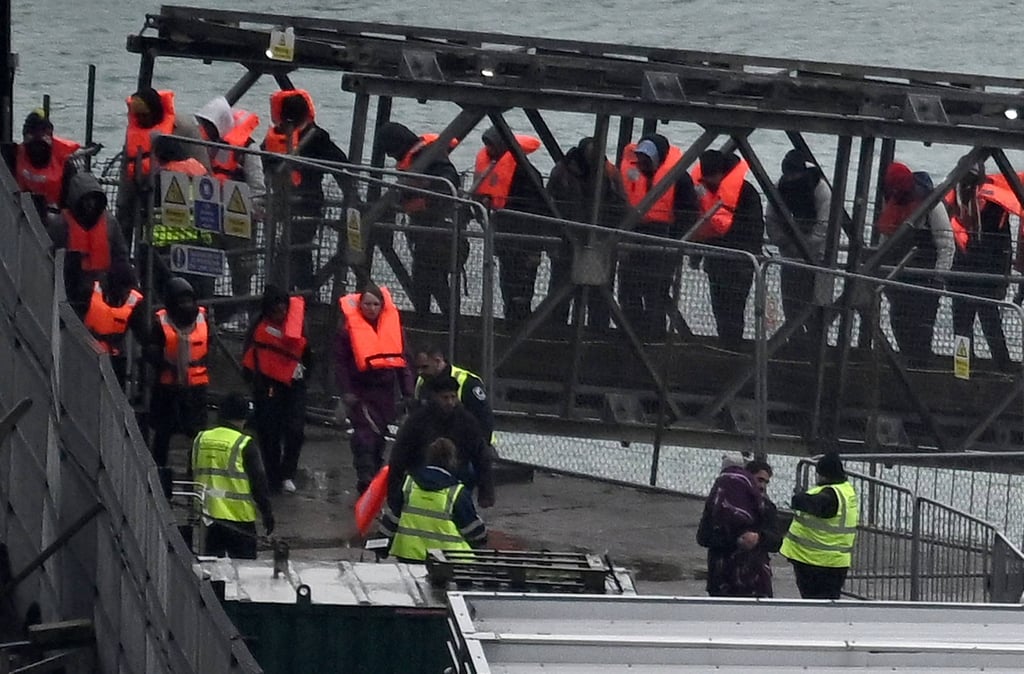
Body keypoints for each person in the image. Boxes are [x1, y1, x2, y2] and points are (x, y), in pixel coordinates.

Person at [262, 89, 356, 293]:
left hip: (281, 201)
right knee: (297, 251)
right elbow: (341, 164)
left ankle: (295, 294)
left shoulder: (275, 135)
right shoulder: (317, 137)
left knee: (293, 251)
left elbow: (264, 161)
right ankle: (302, 295)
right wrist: (352, 196)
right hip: (307, 204)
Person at [377, 122, 462, 318]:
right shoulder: (419, 156)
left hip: (440, 230)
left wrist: (427, 200)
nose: (390, 156)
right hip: (424, 230)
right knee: (424, 279)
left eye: (390, 150)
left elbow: (449, 182)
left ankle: (446, 322)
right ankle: (433, 320)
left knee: (433, 278)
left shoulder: (431, 156)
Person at [335, 283, 414, 493]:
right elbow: (341, 363)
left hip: (384, 393)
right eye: (367, 304)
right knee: (364, 435)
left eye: (375, 304)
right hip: (360, 392)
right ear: (360, 305)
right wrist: (347, 391)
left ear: (382, 306)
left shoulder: (394, 330)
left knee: (378, 438)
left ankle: (374, 478)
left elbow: (403, 362)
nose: (371, 308)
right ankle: (365, 476)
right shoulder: (347, 332)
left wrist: (408, 393)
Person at [617, 134, 699, 339]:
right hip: (632, 234)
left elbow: (689, 212)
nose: (642, 162)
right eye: (641, 157)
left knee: (655, 292)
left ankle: (654, 336)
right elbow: (616, 202)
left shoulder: (679, 177)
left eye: (648, 158)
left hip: (663, 237)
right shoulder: (629, 169)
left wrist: (677, 241)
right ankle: (631, 333)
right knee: (627, 289)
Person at [876, 163, 955, 367]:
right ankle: (909, 364)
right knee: (898, 322)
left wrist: (939, 277)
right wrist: (880, 264)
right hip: (898, 278)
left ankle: (920, 367)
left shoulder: (931, 204)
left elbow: (946, 244)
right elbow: (886, 238)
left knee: (922, 329)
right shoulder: (892, 201)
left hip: (926, 280)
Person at [546, 137, 627, 328]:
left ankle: (597, 332)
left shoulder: (609, 172)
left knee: (598, 293)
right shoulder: (562, 171)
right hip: (567, 237)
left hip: (600, 240)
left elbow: (621, 205)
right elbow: (548, 201)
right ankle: (554, 330)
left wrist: (615, 237)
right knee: (560, 290)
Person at [472, 126, 549, 323]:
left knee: (522, 289)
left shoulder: (528, 174)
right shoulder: (493, 168)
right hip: (505, 239)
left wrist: (535, 247)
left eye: (492, 145)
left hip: (526, 240)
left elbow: (538, 209)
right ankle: (511, 321)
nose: (488, 150)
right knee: (507, 285)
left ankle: (520, 326)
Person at [195, 96, 266, 307]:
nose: (205, 129)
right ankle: (206, 308)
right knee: (205, 266)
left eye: (209, 125)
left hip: (239, 222)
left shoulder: (249, 149)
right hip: (209, 216)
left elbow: (258, 187)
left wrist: (248, 214)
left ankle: (241, 310)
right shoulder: (203, 146)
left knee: (242, 269)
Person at [241, 286, 312, 494]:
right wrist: (253, 379)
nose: (280, 314)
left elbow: (308, 354)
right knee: (269, 431)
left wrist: (305, 376)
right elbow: (249, 351)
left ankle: (288, 472)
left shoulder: (298, 325)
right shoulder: (258, 324)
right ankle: (273, 476)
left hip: (294, 382)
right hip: (266, 383)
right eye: (276, 310)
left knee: (295, 429)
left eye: (283, 309)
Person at [691, 149, 765, 349]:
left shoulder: (747, 193)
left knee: (734, 308)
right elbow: (698, 222)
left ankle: (732, 347)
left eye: (712, 176)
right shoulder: (706, 191)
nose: (708, 181)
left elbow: (755, 229)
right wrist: (697, 252)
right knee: (719, 307)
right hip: (716, 261)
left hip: (740, 263)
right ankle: (726, 344)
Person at [388, 374, 495, 508]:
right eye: (445, 398)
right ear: (434, 397)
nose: (450, 402)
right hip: (421, 477)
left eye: (453, 397)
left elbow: (481, 456)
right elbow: (399, 457)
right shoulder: (417, 421)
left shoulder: (466, 421)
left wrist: (486, 493)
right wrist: (393, 494)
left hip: (456, 477)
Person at [946, 164, 1015, 370]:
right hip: (967, 275)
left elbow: (1004, 245)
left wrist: (1003, 277)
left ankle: (999, 367)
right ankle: (964, 369)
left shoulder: (988, 206)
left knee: (986, 325)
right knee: (965, 327)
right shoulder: (955, 204)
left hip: (982, 276)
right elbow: (1005, 245)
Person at [117, 87, 208, 240]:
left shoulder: (183, 127)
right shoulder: (133, 131)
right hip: (142, 194)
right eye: (137, 115)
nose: (141, 119)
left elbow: (203, 166)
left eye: (144, 115)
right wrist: (122, 204)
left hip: (178, 196)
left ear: (154, 111)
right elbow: (126, 168)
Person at [144, 277, 209, 492]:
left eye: (189, 300)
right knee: (163, 435)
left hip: (196, 387)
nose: (186, 306)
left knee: (197, 435)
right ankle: (159, 476)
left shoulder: (203, 319)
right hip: (168, 387)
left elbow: (209, 347)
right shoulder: (160, 322)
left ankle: (194, 477)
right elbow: (150, 350)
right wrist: (164, 361)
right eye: (181, 301)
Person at [191, 392, 274, 559]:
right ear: (244, 417)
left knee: (211, 574)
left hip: (208, 519)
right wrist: (267, 514)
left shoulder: (201, 439)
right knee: (243, 573)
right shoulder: (244, 444)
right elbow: (259, 485)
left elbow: (192, 473)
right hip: (239, 521)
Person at [379, 437, 487, 562]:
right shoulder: (456, 492)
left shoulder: (408, 483)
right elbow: (474, 532)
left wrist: (381, 545)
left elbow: (392, 518)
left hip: (409, 555)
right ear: (452, 461)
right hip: (448, 561)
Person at [765, 149, 831, 345]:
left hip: (818, 259)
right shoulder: (780, 188)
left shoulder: (822, 190)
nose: (791, 178)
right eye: (788, 175)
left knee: (816, 305)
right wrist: (783, 242)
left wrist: (804, 247)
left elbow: (824, 228)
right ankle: (794, 341)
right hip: (790, 255)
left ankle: (815, 344)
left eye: (794, 174)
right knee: (790, 303)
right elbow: (771, 219)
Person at [780, 451, 859, 600]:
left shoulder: (830, 494)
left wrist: (799, 498)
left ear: (823, 474)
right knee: (827, 606)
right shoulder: (846, 491)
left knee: (814, 606)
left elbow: (816, 505)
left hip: (814, 561)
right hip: (836, 562)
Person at [697, 458, 781, 598]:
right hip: (722, 577)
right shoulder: (719, 506)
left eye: (766, 482)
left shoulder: (766, 507)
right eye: (759, 480)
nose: (762, 486)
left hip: (755, 580)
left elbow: (776, 542)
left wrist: (759, 538)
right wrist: (735, 539)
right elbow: (703, 537)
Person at [47, 172, 131, 288]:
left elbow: (120, 257)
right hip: (70, 288)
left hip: (103, 288)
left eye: (94, 200)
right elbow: (50, 258)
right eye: (86, 200)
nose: (91, 205)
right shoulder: (60, 224)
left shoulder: (110, 223)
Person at [413, 343, 494, 446]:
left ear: (437, 361)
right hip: (433, 447)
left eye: (425, 367)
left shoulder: (467, 382)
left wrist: (478, 450)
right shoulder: (422, 382)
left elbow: (485, 420)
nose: (420, 372)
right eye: (418, 367)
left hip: (467, 446)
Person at [81, 263, 147, 388]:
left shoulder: (133, 301)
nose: (128, 292)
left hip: (114, 360)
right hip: (85, 353)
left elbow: (144, 335)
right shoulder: (90, 291)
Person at [12, 110, 80, 220]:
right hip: (22, 213)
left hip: (55, 217)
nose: (37, 142)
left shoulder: (65, 164)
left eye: (42, 133)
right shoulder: (14, 154)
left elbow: (71, 203)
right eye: (33, 133)